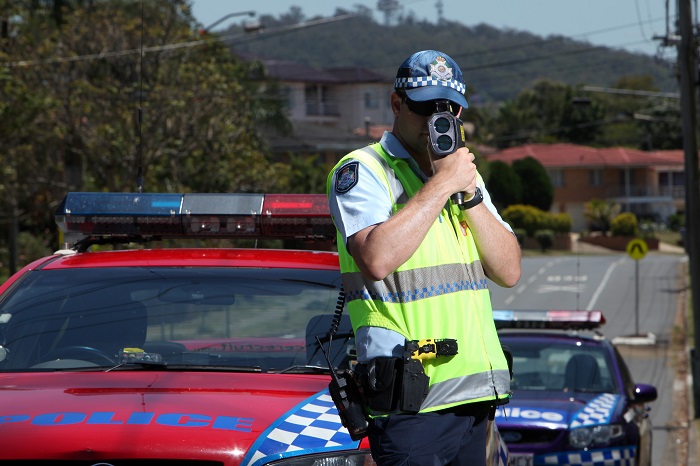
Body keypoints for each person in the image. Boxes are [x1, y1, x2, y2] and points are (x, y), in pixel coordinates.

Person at [326, 50, 522, 466]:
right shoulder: (363, 171)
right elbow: (376, 258)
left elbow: (508, 270)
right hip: (413, 404)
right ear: (397, 104)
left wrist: (466, 193)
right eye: (426, 107)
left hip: (475, 399)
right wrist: (440, 185)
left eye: (449, 109)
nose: (439, 119)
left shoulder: (463, 178)